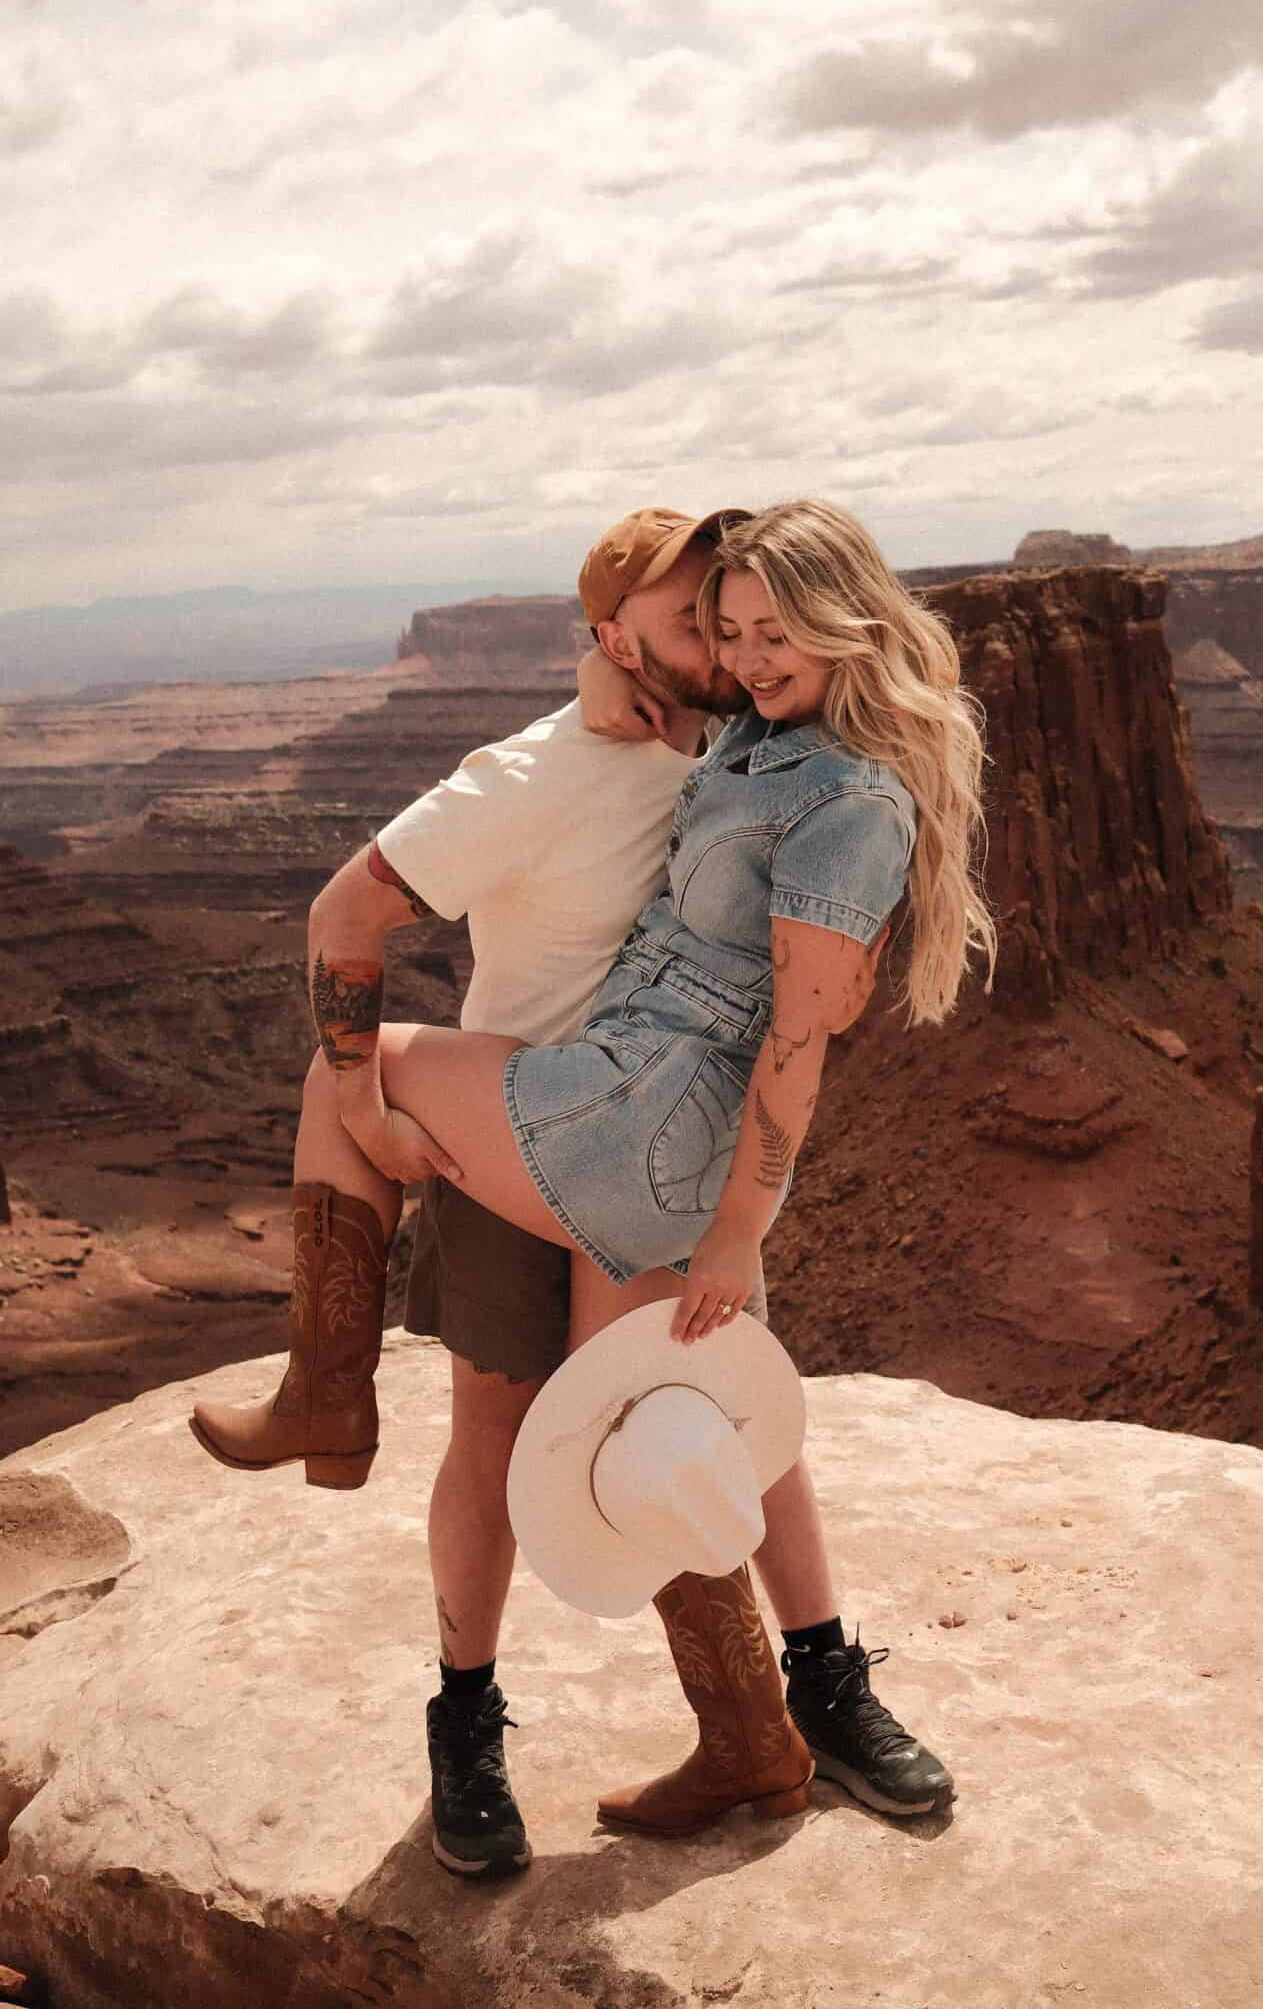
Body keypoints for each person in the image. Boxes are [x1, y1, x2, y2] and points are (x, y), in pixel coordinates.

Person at [191, 499, 995, 1865]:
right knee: (619, 1429)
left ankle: (326, 1393)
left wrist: (740, 1224)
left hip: (623, 1130)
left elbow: (800, 1033)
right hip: (565, 1128)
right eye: (712, 626)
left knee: (358, 1092)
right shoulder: (639, 753)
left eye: (757, 628)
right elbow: (354, 906)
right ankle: (707, 1727)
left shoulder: (794, 765)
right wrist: (601, 687)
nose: (735, 654)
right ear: (623, 640)